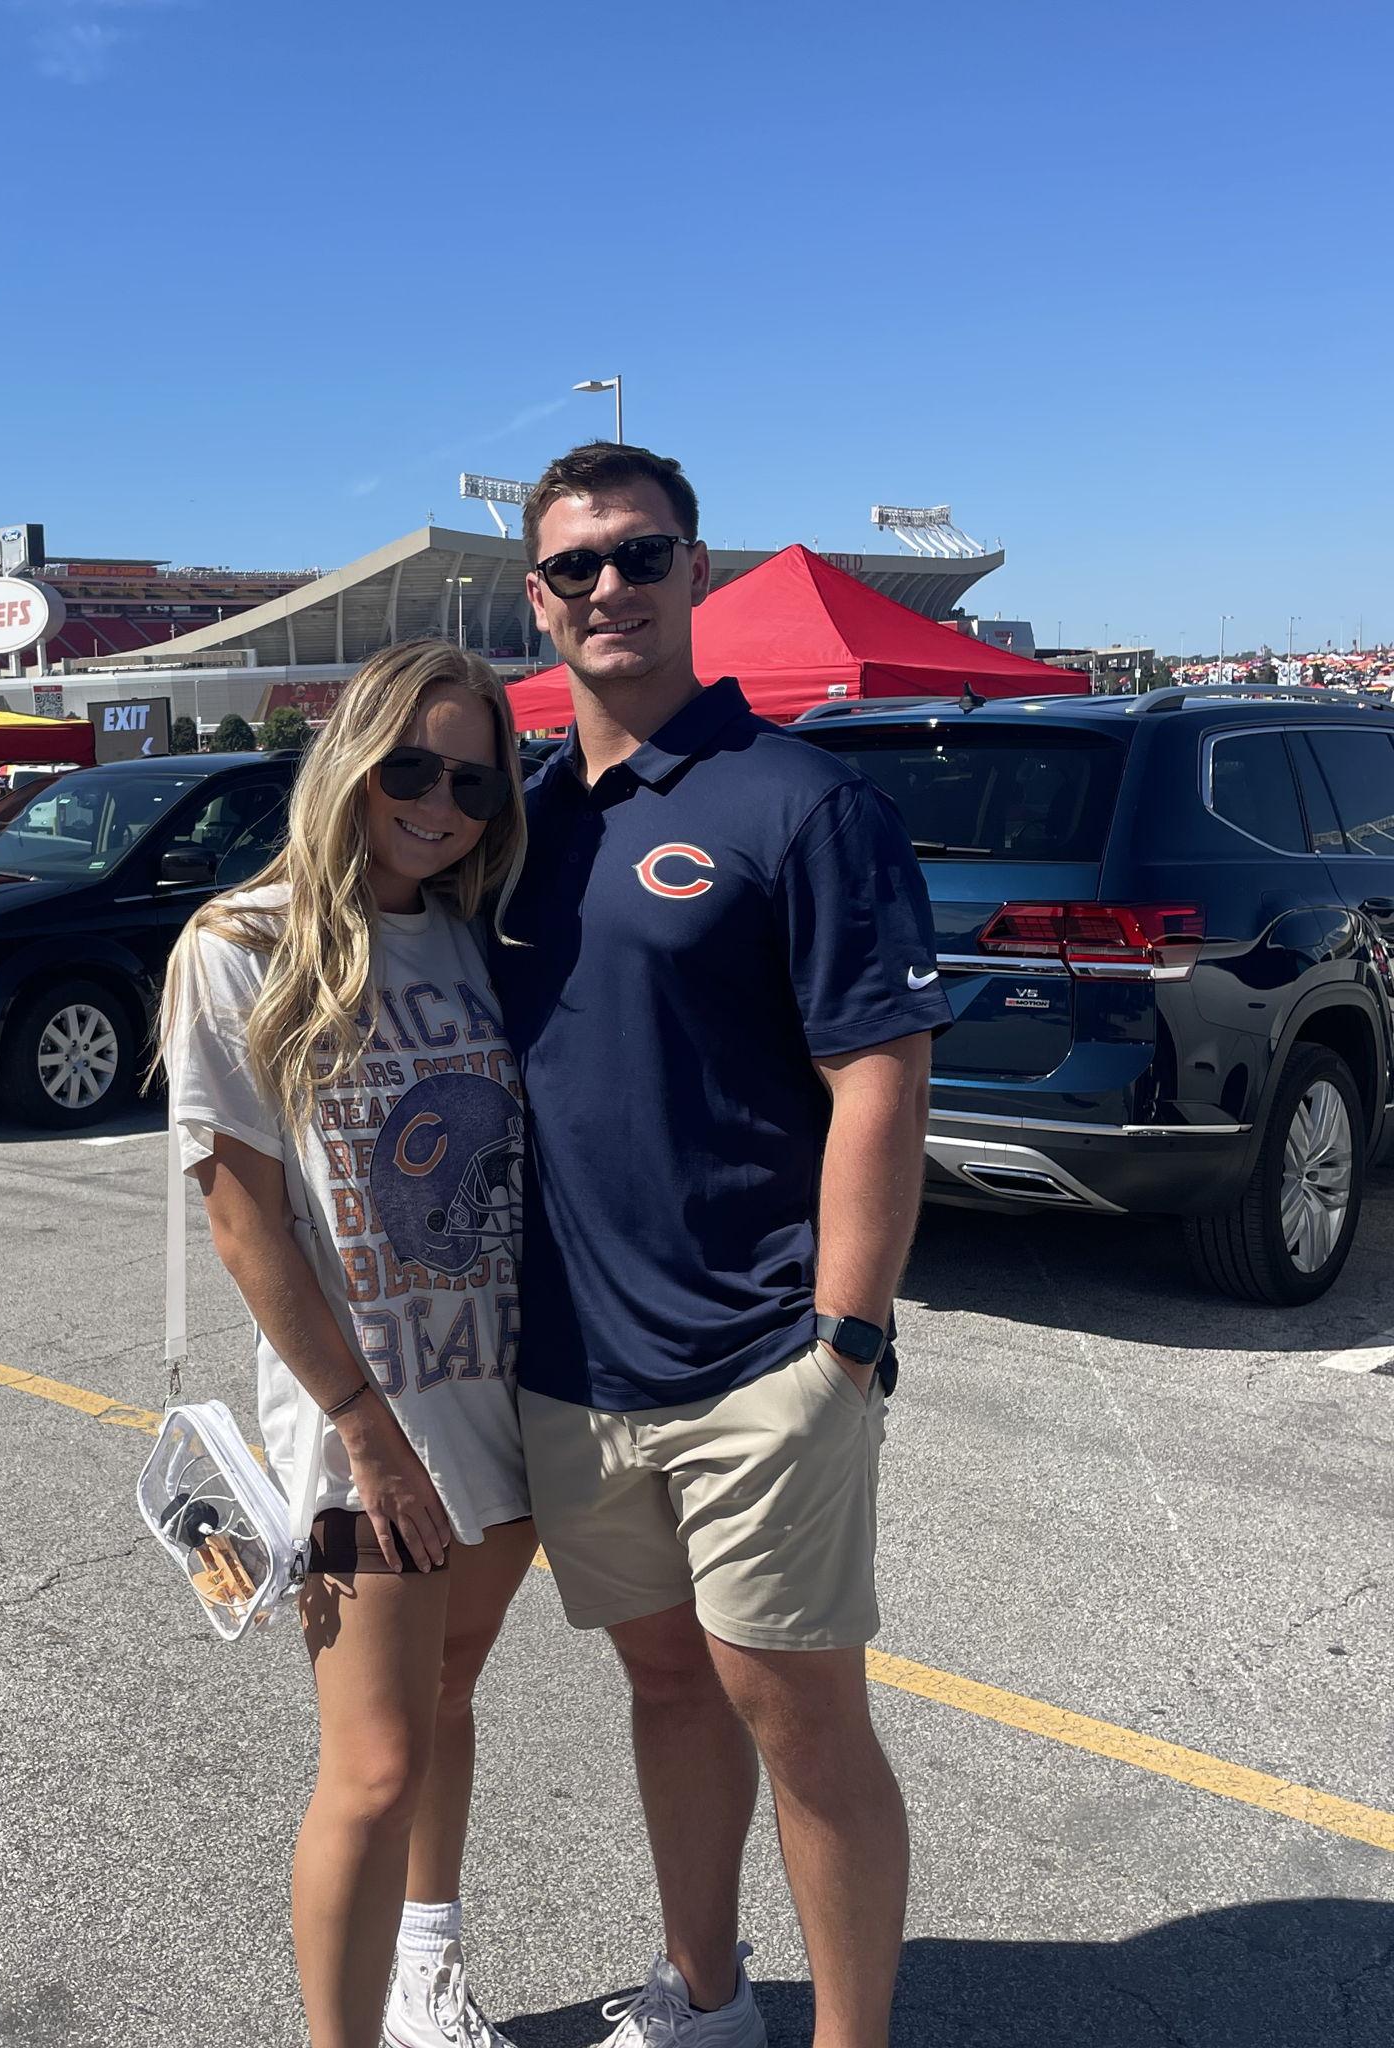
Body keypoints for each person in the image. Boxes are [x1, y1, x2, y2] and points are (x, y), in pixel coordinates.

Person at [491, 443, 951, 2048]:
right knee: (668, 1688)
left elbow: (881, 1077)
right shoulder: (517, 821)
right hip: (572, 1365)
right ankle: (705, 1992)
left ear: (698, 571)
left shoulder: (801, 802)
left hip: (762, 1358)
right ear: (536, 597)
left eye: (641, 553)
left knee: (801, 1719)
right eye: (576, 565)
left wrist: (846, 1341)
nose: (609, 586)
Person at [161, 640, 534, 2048]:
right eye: (411, 769)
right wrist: (363, 1428)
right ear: (351, 765)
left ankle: (425, 1968)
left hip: (506, 1395)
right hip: (368, 1420)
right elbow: (242, 1222)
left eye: (475, 784)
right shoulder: (240, 946)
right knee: (373, 1766)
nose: (440, 805)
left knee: (448, 1699)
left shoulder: (481, 940)